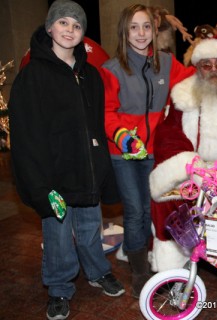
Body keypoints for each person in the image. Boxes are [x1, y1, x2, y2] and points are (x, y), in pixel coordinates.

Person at [8, 1, 125, 319]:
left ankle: (98, 272)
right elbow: (26, 136)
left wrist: (102, 169)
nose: (69, 29)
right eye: (63, 23)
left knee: (90, 229)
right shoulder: (32, 76)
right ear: (49, 28)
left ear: (83, 34)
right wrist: (40, 184)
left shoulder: (90, 75)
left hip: (86, 174)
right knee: (58, 236)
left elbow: (96, 127)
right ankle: (59, 288)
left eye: (76, 25)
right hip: (54, 177)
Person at [100, 4, 195, 298]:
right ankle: (140, 270)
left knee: (152, 208)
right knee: (135, 210)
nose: (141, 33)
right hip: (123, 152)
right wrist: (121, 136)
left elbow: (192, 81)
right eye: (134, 27)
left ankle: (153, 257)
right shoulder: (111, 69)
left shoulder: (166, 63)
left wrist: (216, 63)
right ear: (124, 32)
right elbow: (107, 111)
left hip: (155, 150)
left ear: (154, 31)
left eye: (146, 27)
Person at [149, 32, 217, 272]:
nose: (213, 70)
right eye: (205, 65)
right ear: (197, 68)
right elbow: (168, 135)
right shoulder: (182, 94)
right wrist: (193, 165)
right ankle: (172, 264)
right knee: (167, 199)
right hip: (193, 168)